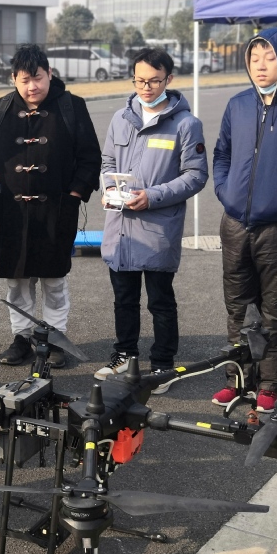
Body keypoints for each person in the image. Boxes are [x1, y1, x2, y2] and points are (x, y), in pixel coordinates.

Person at [0, 44, 101, 368]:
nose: (33, 86)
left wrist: (75, 194)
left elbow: (90, 157)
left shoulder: (71, 106)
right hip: (9, 211)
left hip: (57, 208)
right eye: (25, 79)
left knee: (54, 278)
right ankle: (22, 338)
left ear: (50, 74)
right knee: (17, 279)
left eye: (38, 78)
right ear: (14, 78)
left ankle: (55, 337)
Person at [212, 27, 277, 412]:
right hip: (234, 223)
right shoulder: (238, 103)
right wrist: (224, 191)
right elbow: (221, 153)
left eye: (269, 58)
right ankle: (239, 380)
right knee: (238, 307)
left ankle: (270, 383)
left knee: (272, 308)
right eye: (254, 58)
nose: (260, 65)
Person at [95, 48, 208, 391]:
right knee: (124, 298)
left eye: (154, 81)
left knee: (160, 301)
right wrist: (108, 188)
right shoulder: (121, 118)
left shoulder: (186, 124)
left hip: (159, 226)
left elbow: (195, 175)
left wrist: (152, 196)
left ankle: (162, 366)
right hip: (121, 227)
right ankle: (124, 355)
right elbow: (107, 163)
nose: (146, 87)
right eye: (140, 80)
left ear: (168, 79)